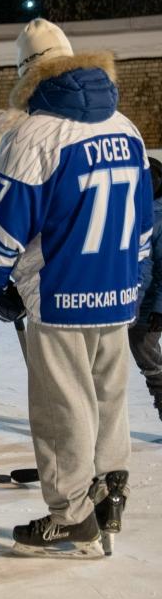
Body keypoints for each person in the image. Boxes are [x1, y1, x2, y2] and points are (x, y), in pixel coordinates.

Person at [0, 18, 149, 558]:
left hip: (59, 290)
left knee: (61, 405)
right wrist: (134, 277)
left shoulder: (35, 133)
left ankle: (72, 513)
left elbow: (4, 222)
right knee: (108, 396)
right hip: (115, 287)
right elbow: (144, 220)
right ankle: (111, 486)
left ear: (27, 73)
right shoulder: (125, 127)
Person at [128, 159, 162, 423]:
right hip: (131, 300)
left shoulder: (156, 216)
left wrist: (160, 308)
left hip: (149, 306)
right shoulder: (139, 211)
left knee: (146, 355)